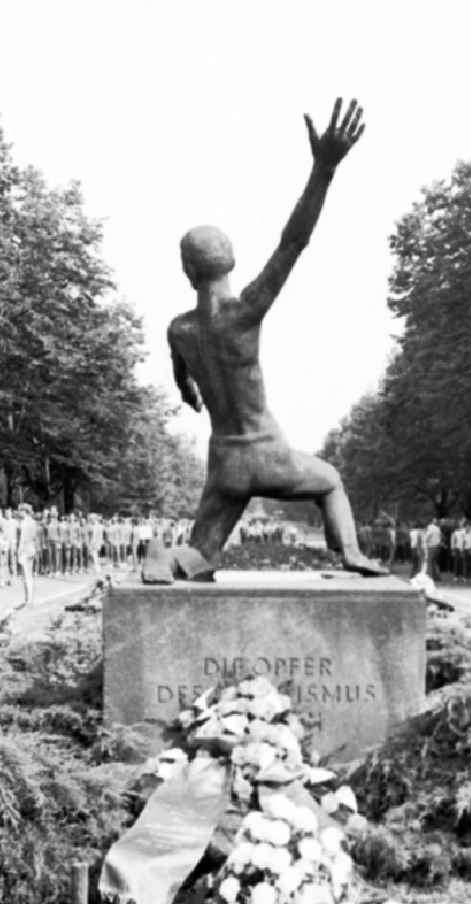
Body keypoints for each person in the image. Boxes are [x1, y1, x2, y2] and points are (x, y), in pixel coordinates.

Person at [147, 98, 383, 581]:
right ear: (230, 261)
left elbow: (182, 379)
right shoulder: (244, 313)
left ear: (186, 269)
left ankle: (166, 558)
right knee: (330, 483)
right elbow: (292, 242)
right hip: (266, 452)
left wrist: (188, 390)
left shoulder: (180, 330)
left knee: (201, 556)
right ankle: (352, 554)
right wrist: (323, 170)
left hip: (224, 461)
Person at [16, 505, 38, 607]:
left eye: (20, 510)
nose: (19, 512)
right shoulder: (33, 522)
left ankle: (28, 599)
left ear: (24, 511)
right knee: (29, 575)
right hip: (31, 549)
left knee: (26, 576)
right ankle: (29, 599)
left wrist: (19, 551)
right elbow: (34, 537)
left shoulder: (24, 523)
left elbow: (22, 539)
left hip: (25, 550)